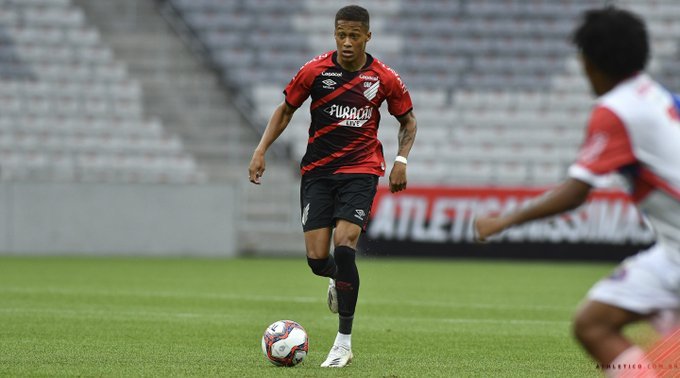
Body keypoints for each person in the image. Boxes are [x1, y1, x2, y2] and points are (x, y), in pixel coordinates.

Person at [474, 7, 680, 377]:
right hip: (671, 253)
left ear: (592, 61)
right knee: (597, 323)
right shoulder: (654, 94)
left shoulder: (615, 110)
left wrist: (505, 220)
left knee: (594, 325)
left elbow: (575, 192)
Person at [248, 4, 417, 368]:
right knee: (316, 259)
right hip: (318, 173)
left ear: (367, 37)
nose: (347, 42)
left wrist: (401, 160)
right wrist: (261, 150)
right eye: (341, 34)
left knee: (345, 246)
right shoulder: (315, 71)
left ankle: (343, 342)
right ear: (334, 34)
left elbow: (408, 120)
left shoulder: (384, 79)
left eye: (354, 35)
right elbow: (285, 110)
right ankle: (337, 281)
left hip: (361, 170)